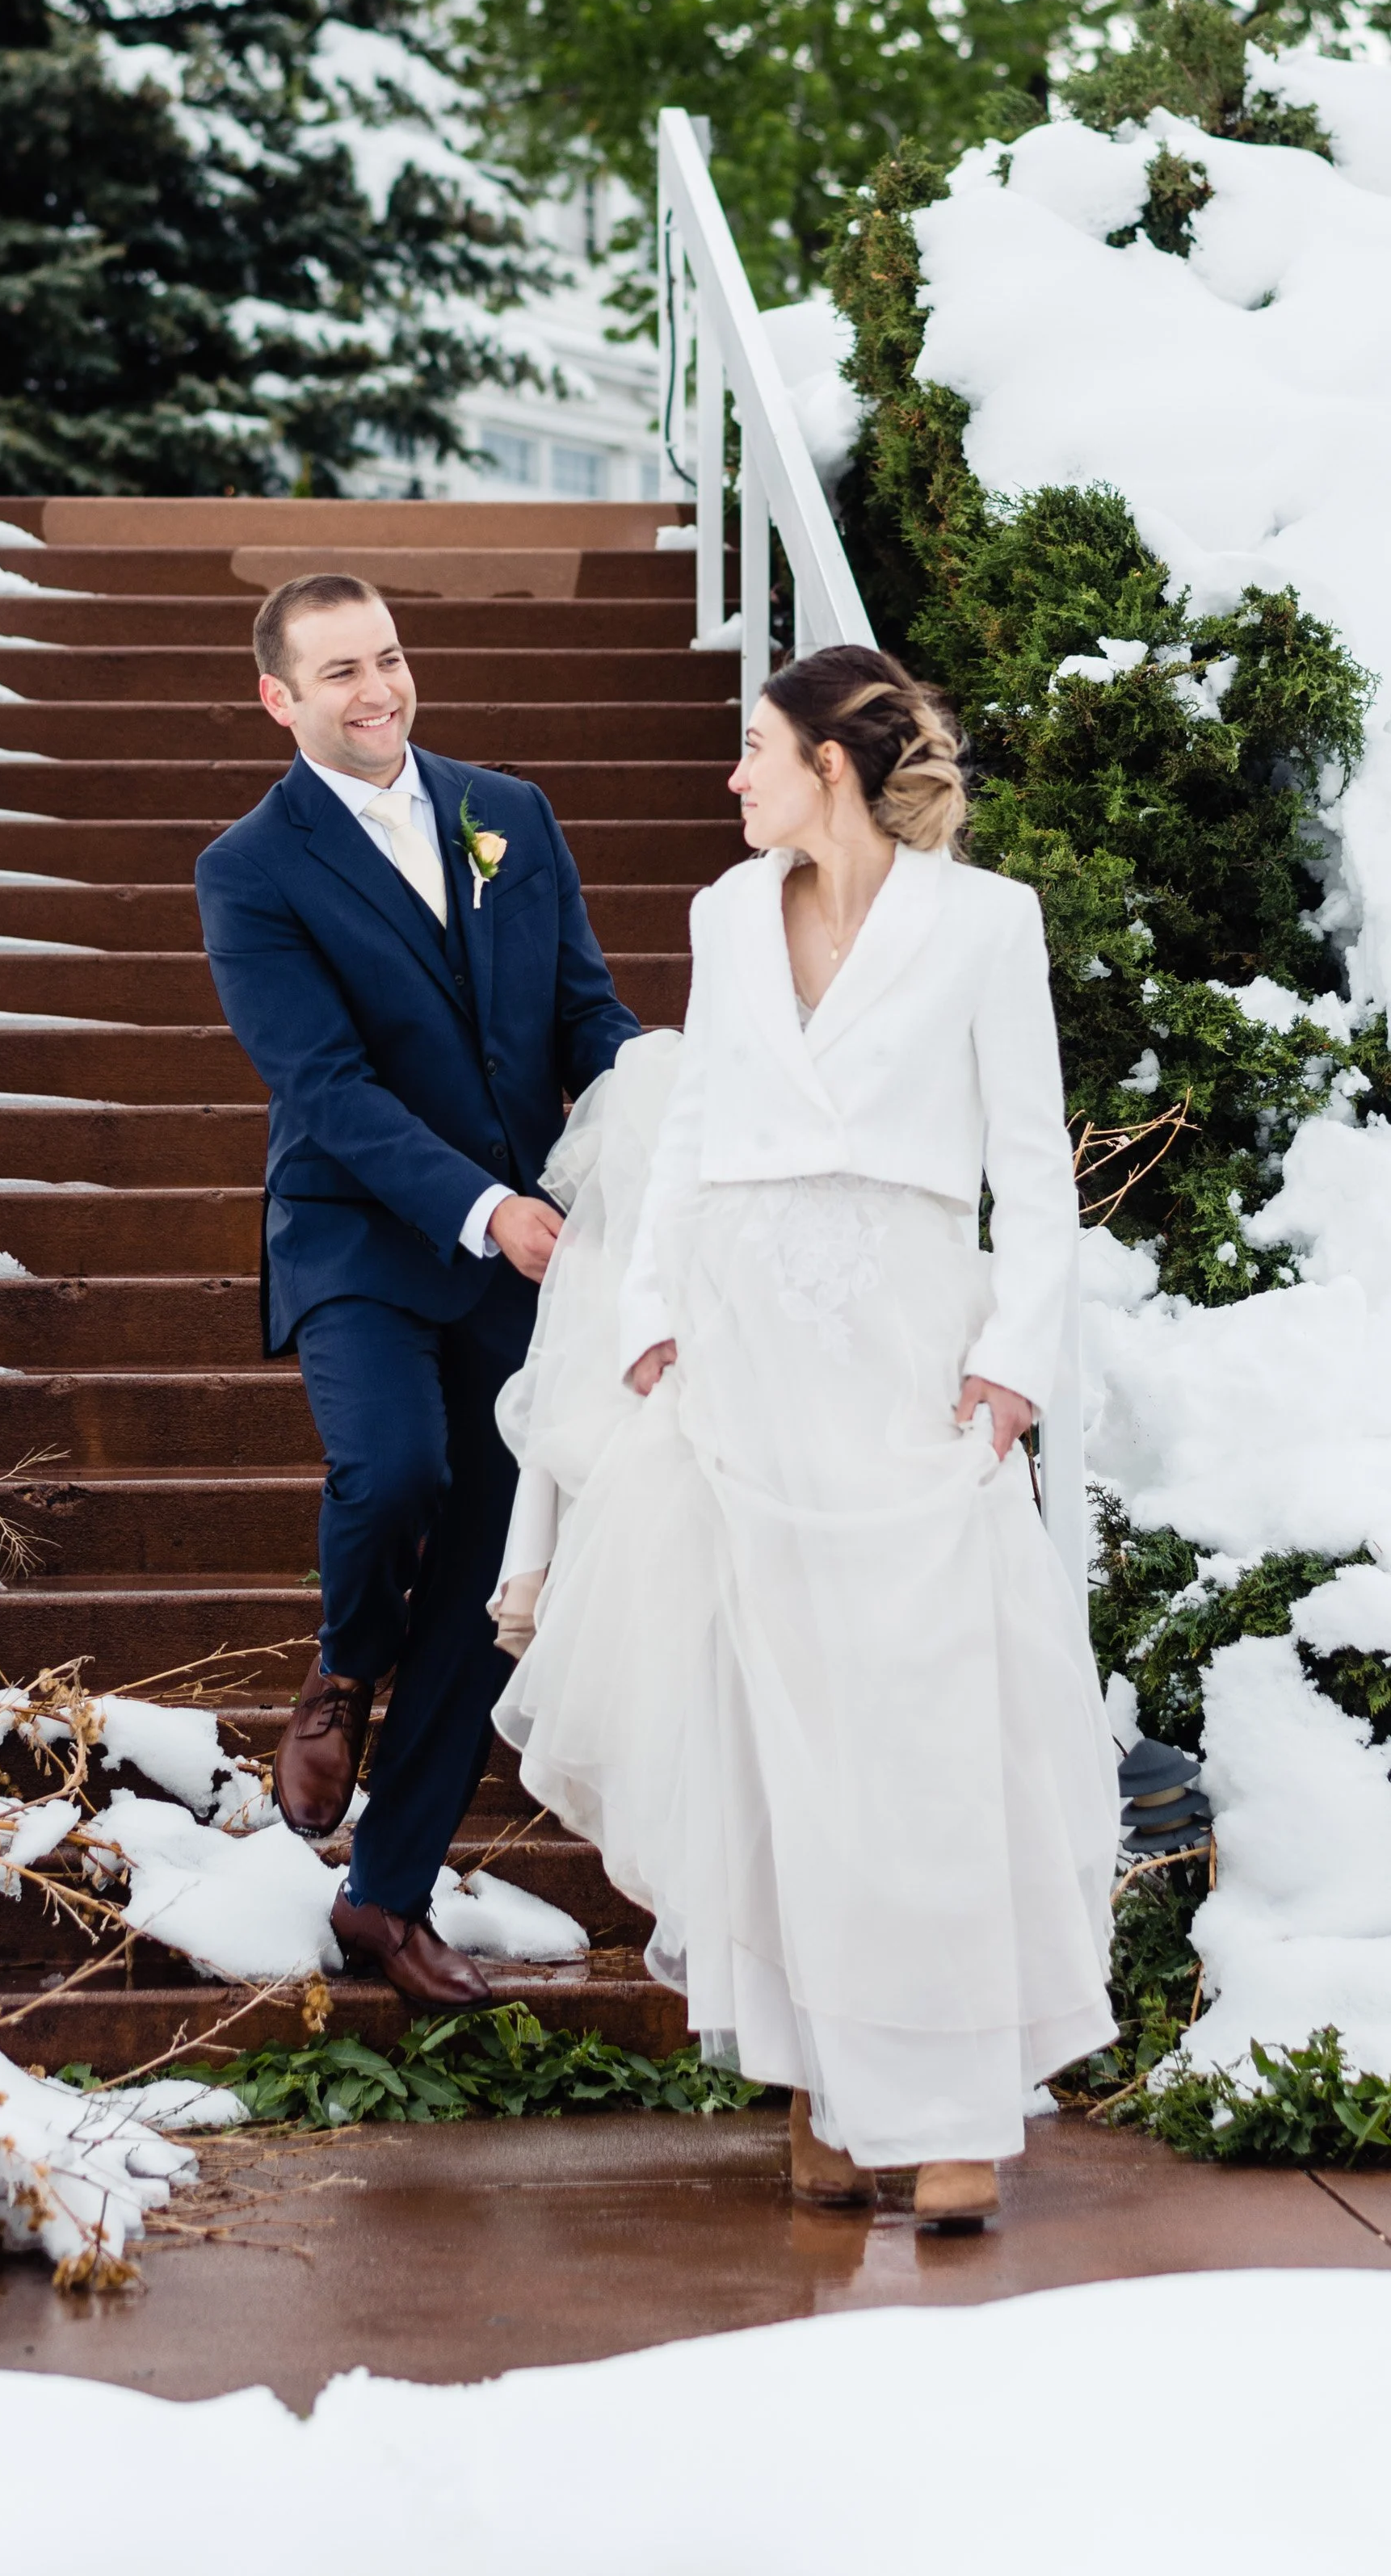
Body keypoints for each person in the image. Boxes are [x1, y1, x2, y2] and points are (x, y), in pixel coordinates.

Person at [494, 646, 1119, 2227]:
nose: (733, 778)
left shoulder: (987, 924)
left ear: (830, 765)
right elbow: (692, 1136)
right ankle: (818, 2087)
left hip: (907, 1347)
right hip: (738, 1348)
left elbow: (1031, 1168)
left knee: (918, 1724)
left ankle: (955, 2101)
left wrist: (1012, 1359)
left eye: (756, 751)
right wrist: (647, 1312)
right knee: (763, 1722)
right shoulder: (725, 916)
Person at [195, 572, 639, 2007]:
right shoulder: (249, 868)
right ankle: (338, 1671)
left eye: (387, 658)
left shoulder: (511, 809)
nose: (375, 689)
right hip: (361, 1236)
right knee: (392, 1474)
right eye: (338, 673)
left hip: (528, 1251)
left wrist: (664, 1112)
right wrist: (480, 1206)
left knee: (483, 1579)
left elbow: (584, 1011)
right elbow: (321, 1085)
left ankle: (384, 1899)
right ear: (280, 699)